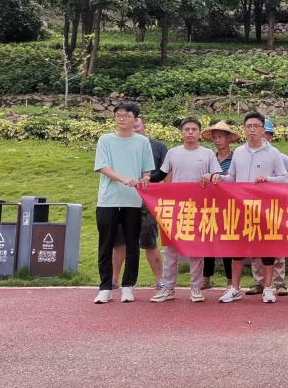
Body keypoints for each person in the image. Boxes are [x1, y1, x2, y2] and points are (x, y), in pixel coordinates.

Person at [208, 112, 288, 304]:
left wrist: (267, 179)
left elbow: (284, 178)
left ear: (263, 129)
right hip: (240, 207)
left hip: (264, 208)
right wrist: (219, 177)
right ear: (244, 129)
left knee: (267, 248)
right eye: (248, 126)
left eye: (256, 126)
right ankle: (235, 288)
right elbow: (232, 177)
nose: (252, 130)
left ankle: (267, 288)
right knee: (237, 248)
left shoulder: (273, 153)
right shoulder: (239, 152)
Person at [151, 117, 221, 303]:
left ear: (199, 133)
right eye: (187, 129)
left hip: (200, 208)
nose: (190, 132)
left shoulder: (207, 154)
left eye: (194, 129)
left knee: (196, 249)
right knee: (170, 249)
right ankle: (168, 288)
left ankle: (196, 288)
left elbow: (217, 175)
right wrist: (145, 180)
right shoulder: (173, 153)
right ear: (181, 133)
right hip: (176, 208)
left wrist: (211, 175)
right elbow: (160, 175)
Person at [93, 102, 154, 304]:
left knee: (132, 245)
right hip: (108, 200)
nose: (122, 118)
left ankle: (128, 286)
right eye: (118, 115)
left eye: (126, 115)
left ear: (135, 119)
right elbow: (103, 166)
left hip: (133, 201)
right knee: (106, 245)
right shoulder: (105, 140)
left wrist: (145, 178)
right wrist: (123, 179)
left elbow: (147, 170)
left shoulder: (142, 142)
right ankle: (105, 288)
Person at [110, 116, 166, 292]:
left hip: (147, 201)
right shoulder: (116, 145)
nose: (134, 129)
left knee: (149, 241)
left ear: (145, 128)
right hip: (122, 199)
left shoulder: (158, 147)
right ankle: (113, 280)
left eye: (137, 126)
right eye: (132, 126)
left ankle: (160, 280)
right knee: (119, 241)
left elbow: (167, 172)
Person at [247, 118, 288, 296]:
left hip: (274, 208)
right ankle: (259, 282)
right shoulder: (248, 154)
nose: (266, 137)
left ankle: (279, 283)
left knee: (275, 245)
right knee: (255, 245)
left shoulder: (279, 156)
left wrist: (284, 194)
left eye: (268, 134)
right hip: (254, 207)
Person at [201, 121, 241, 290]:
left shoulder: (236, 158)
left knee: (228, 241)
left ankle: (231, 280)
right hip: (210, 205)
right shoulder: (210, 158)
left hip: (230, 206)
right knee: (208, 240)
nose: (217, 141)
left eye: (220, 137)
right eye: (214, 138)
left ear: (228, 138)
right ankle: (206, 278)